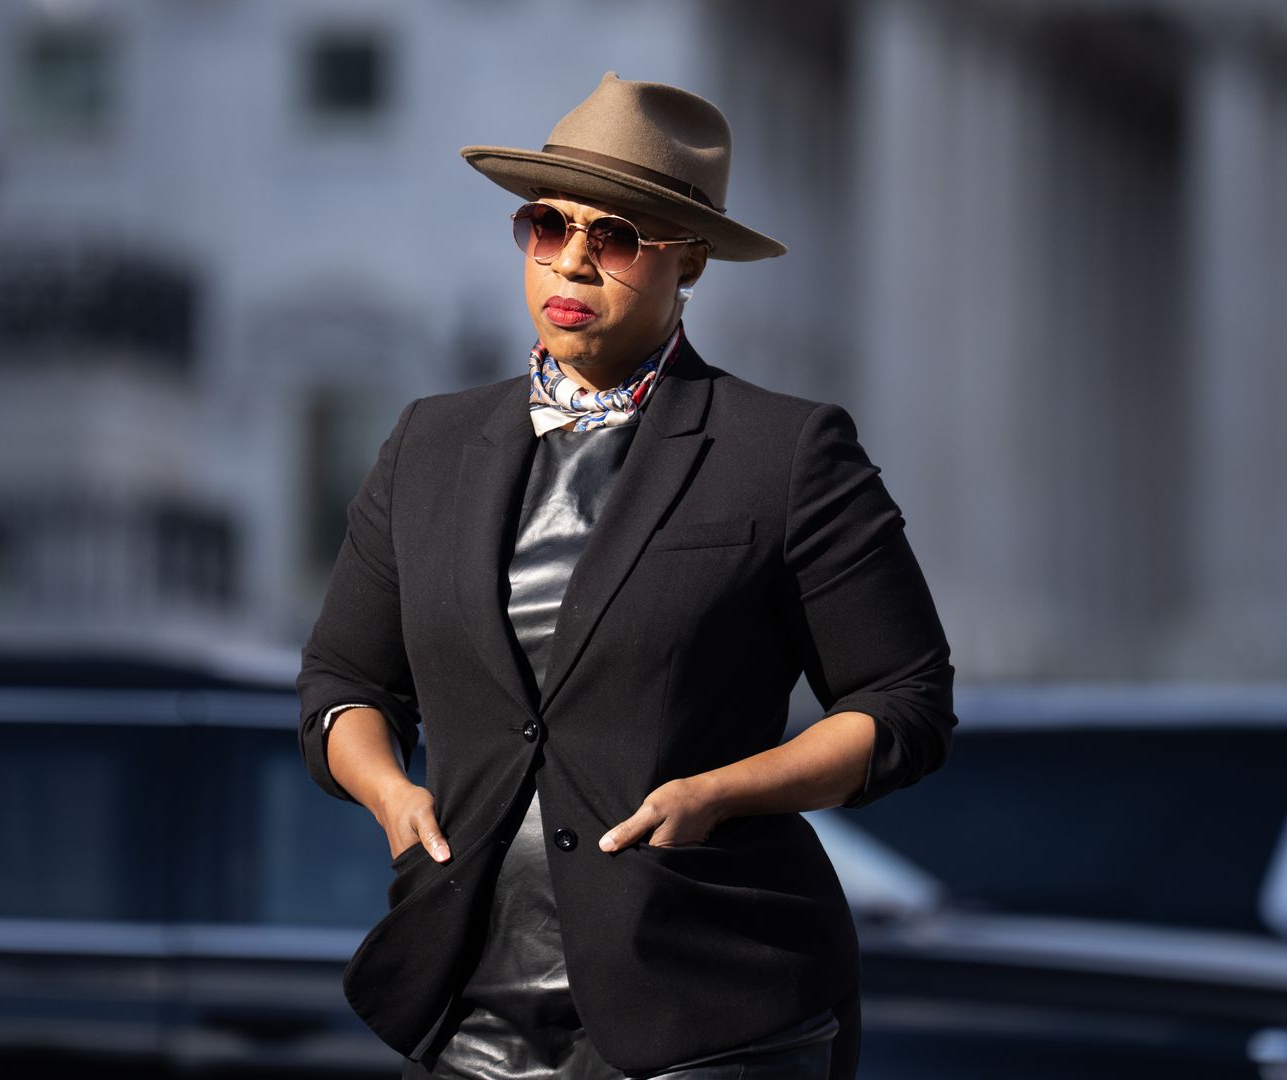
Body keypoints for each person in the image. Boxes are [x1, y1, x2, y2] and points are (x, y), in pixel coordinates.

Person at [298, 71, 957, 1080]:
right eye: (546, 225)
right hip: (468, 1008)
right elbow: (342, 683)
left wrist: (720, 793)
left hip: (712, 1010)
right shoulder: (427, 446)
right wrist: (390, 794)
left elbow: (905, 703)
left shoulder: (784, 453)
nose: (571, 259)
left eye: (613, 237)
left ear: (689, 259)